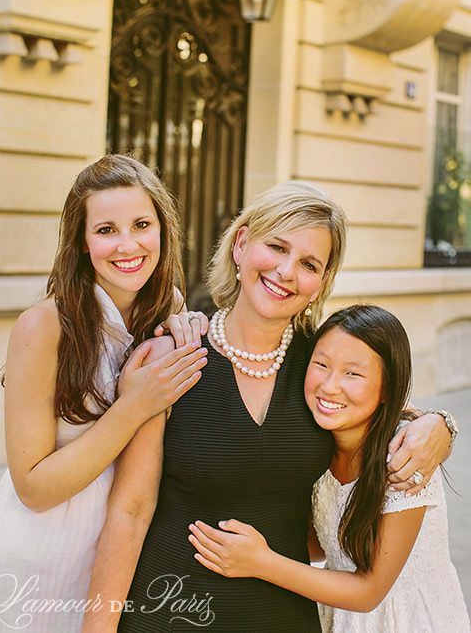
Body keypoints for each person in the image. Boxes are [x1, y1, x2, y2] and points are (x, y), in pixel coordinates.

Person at [82, 182, 456, 633]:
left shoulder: (319, 365)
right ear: (241, 245)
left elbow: (385, 407)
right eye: (276, 247)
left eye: (309, 263)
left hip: (282, 615)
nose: (286, 271)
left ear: (321, 283)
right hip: (170, 608)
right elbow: (130, 509)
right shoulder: (174, 354)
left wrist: (440, 425)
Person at [0, 154, 210, 632]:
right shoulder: (43, 326)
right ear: (82, 242)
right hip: (44, 554)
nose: (128, 245)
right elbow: (33, 488)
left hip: (125, 554)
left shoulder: (167, 308)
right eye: (106, 230)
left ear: (162, 231)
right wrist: (134, 406)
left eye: (142, 224)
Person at [188, 304, 470, 632]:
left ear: (387, 388)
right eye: (321, 365)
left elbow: (368, 592)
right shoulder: (314, 444)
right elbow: (321, 540)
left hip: (407, 620)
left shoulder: (403, 459)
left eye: (353, 373)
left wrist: (261, 562)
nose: (330, 386)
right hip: (341, 616)